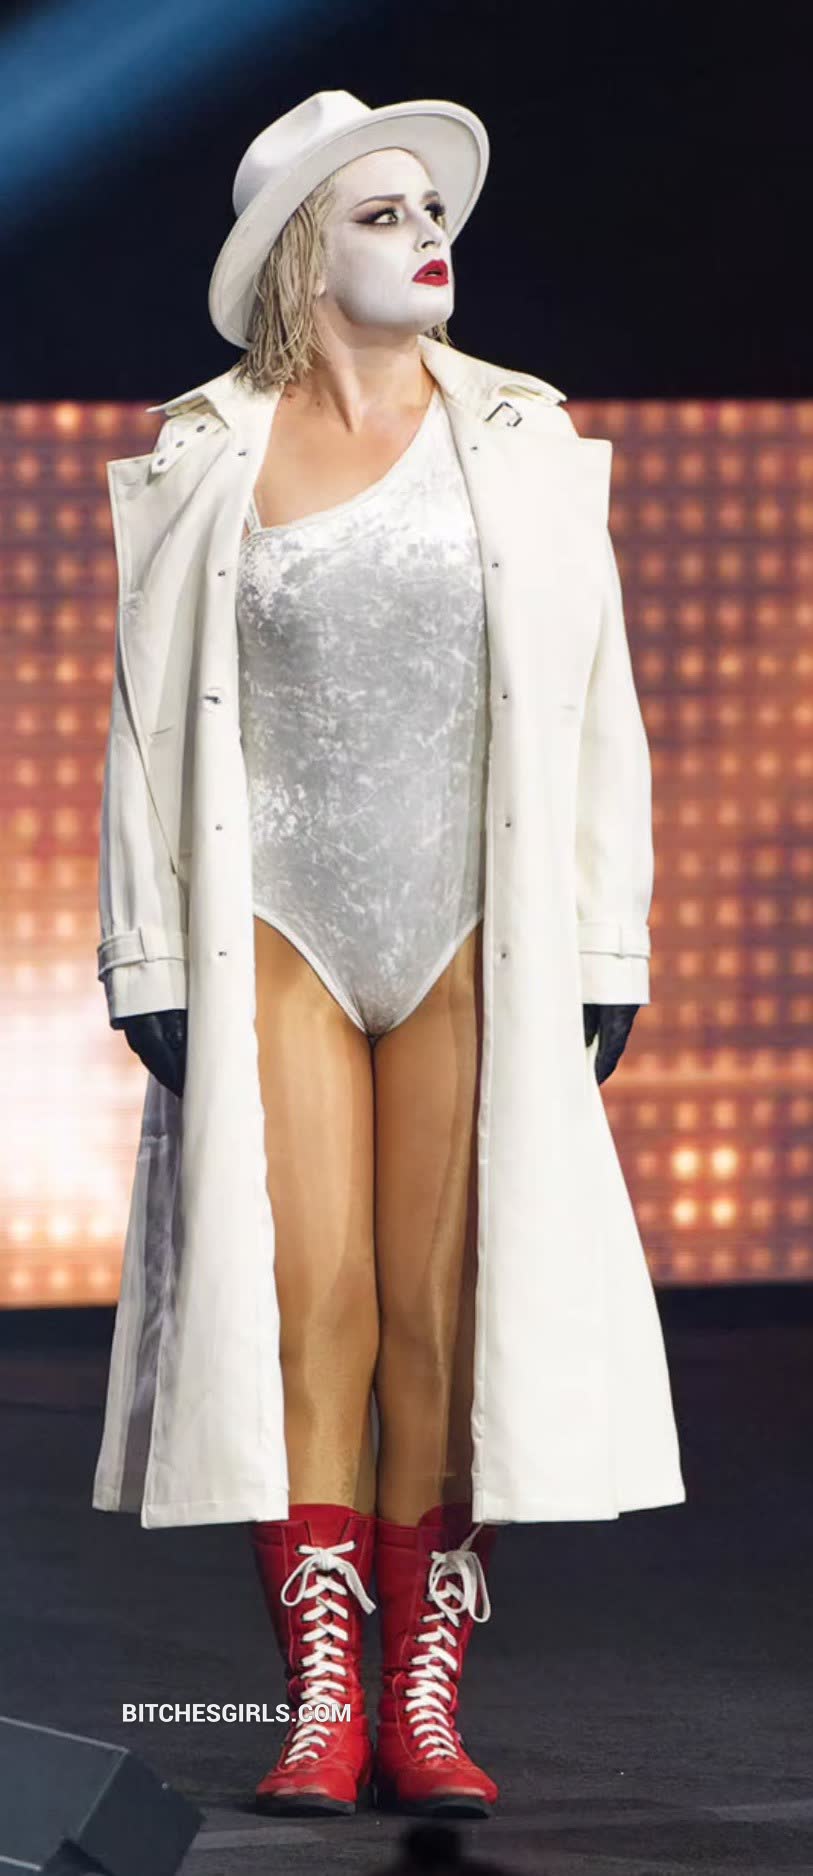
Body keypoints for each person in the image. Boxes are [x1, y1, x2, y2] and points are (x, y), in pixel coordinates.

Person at [94, 90, 686, 1821]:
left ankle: (423, 1702)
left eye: (430, 209)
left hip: (469, 920)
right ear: (300, 254)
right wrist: (145, 956)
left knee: (439, 1309)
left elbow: (597, 703)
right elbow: (142, 728)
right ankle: (318, 1703)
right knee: (310, 1301)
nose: (425, 235)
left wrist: (604, 934)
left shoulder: (520, 435)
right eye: (378, 214)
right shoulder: (205, 452)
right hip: (271, 916)